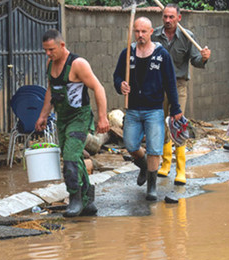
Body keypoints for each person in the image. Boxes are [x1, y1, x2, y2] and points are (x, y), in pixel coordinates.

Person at [35, 29, 110, 217]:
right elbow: (51, 91)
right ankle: (88, 200)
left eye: (51, 49)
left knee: (70, 156)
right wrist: (43, 115)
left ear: (62, 45)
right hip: (63, 118)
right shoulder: (50, 64)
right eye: (45, 50)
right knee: (74, 157)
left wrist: (102, 117)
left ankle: (75, 199)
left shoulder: (78, 64)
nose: (48, 54)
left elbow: (98, 88)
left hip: (80, 117)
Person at [113, 17, 182, 201]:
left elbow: (170, 84)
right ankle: (144, 166)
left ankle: (151, 187)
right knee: (130, 144)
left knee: (154, 148)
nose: (140, 35)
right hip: (133, 109)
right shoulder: (127, 53)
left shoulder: (162, 55)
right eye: (137, 31)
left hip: (154, 109)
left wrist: (176, 109)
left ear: (151, 32)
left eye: (144, 31)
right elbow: (117, 76)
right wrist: (121, 85)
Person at [151, 3, 211, 185]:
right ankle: (166, 163)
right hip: (158, 85)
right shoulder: (155, 35)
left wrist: (204, 58)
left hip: (178, 85)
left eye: (171, 17)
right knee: (161, 123)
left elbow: (196, 61)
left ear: (179, 17)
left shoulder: (187, 37)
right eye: (165, 17)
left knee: (177, 124)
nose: (168, 20)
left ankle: (181, 169)